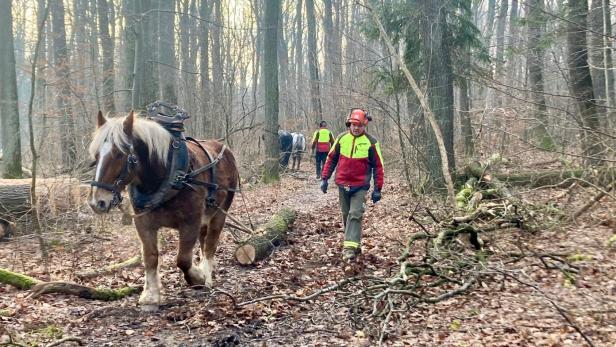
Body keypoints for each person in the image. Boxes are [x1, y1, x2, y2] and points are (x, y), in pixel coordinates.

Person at [320, 109, 384, 262]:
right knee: (346, 215)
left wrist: (378, 188)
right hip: (343, 184)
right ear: (349, 124)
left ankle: (348, 249)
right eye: (353, 125)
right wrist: (325, 178)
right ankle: (354, 243)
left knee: (355, 214)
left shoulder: (371, 142)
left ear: (365, 126)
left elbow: (379, 166)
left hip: (360, 186)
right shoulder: (342, 138)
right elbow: (331, 159)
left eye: (360, 125)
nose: (356, 128)